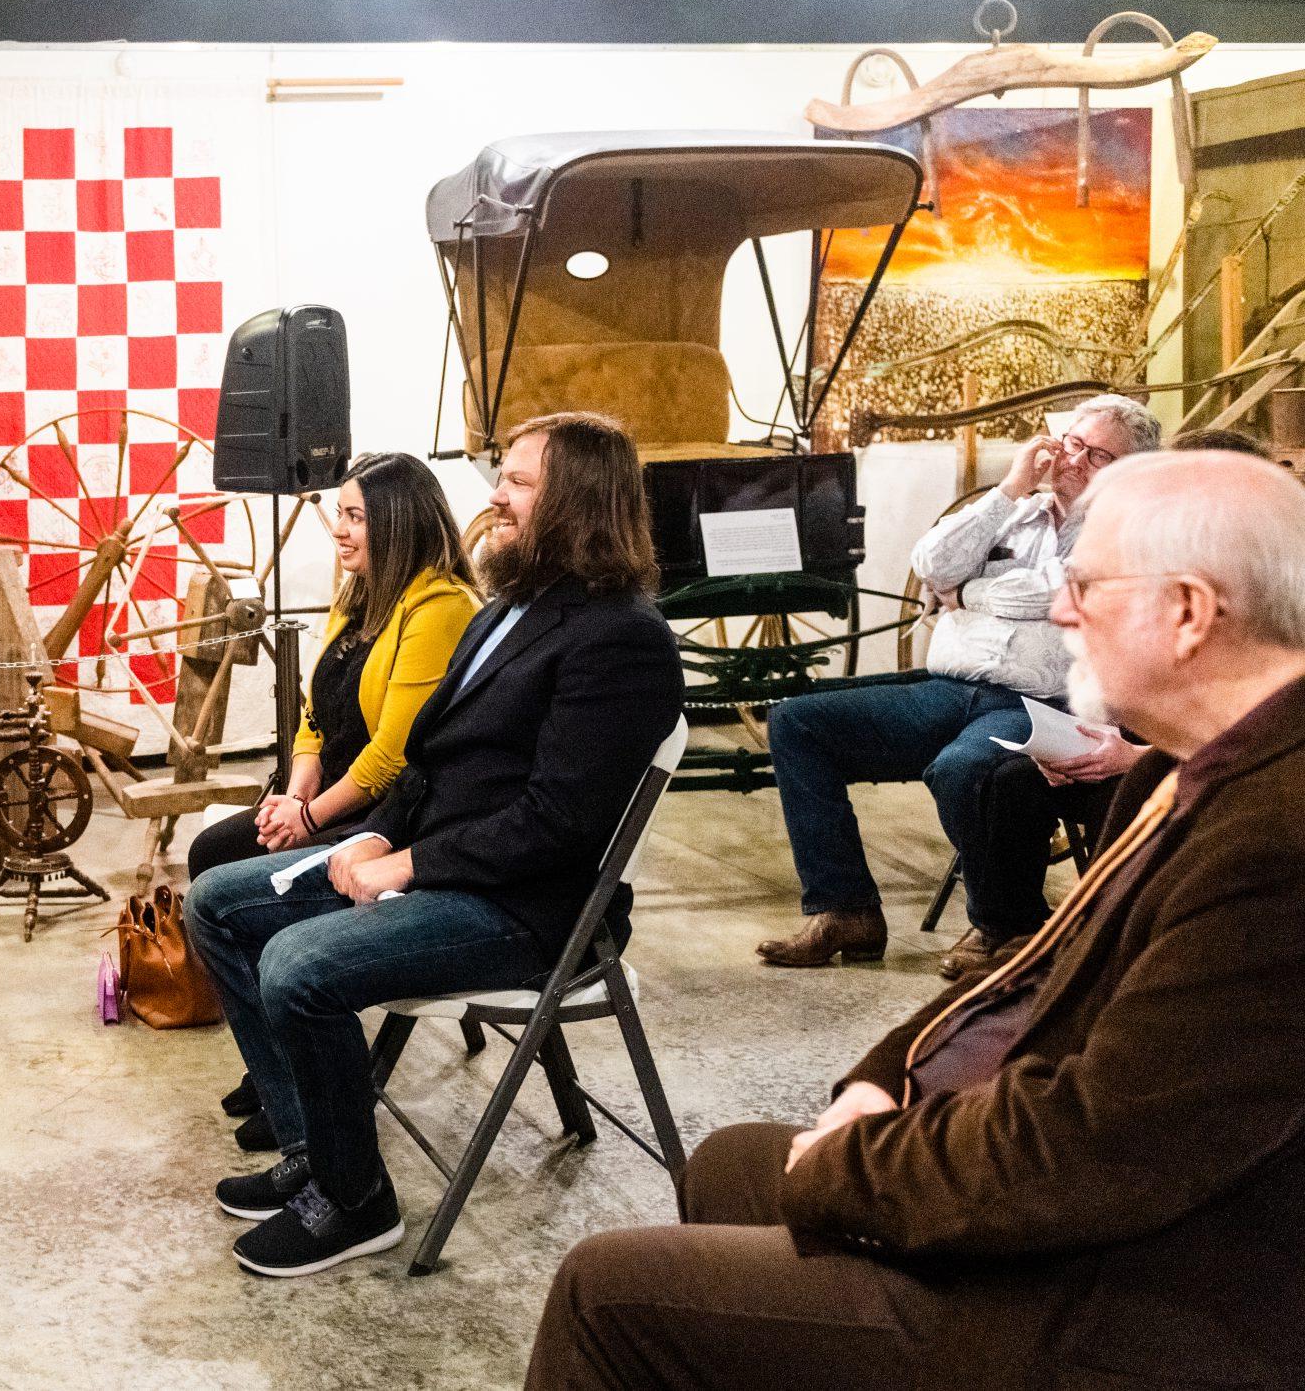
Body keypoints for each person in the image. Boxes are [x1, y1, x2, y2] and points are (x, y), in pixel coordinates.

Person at [525, 449, 1305, 1391]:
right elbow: (1031, 982)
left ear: (1187, 611)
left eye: (1087, 584)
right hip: (1086, 1210)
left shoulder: (1278, 838)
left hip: (1141, 1298)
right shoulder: (1178, 770)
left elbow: (1092, 1148)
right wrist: (882, 1078)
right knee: (731, 1165)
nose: (1062, 608)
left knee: (607, 1290)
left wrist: (850, 1162)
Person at [186, 412, 683, 1277]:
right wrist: (380, 827)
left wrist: (402, 864)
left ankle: (356, 1202)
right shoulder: (518, 606)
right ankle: (319, 1154)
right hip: (456, 871)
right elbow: (428, 760)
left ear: (580, 501)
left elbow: (556, 824)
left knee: (298, 965)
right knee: (219, 903)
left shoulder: (622, 638)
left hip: (530, 911)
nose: (495, 494)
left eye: (520, 481)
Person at [757, 395, 1158, 970]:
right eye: (1072, 442)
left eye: (1098, 455)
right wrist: (1007, 490)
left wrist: (967, 596)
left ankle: (1006, 924)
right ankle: (845, 909)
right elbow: (933, 563)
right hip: (951, 688)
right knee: (799, 722)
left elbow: (1056, 592)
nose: (1074, 459)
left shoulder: (1129, 531)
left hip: (1040, 699)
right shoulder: (1014, 512)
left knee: (961, 768)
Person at [187, 452, 480, 1152]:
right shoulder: (360, 591)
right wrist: (293, 791)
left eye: (355, 517)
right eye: (340, 514)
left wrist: (312, 818)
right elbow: (317, 712)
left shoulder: (439, 607)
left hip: (382, 811)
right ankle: (277, 1064)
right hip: (329, 795)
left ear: (399, 523)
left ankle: (290, 1081)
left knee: (228, 885)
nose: (339, 532)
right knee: (213, 852)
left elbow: (394, 754)